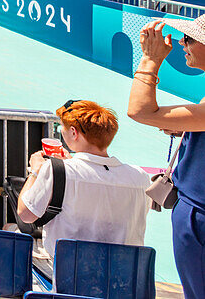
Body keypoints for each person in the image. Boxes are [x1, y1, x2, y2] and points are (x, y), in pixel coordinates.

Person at [129, 18, 205, 299]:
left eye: (190, 39)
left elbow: (140, 111)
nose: (183, 43)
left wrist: (150, 59)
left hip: (199, 222)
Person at [16, 100, 148, 260]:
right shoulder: (140, 177)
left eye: (61, 128)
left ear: (73, 132)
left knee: (12, 231)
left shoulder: (56, 170)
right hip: (125, 272)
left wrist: (36, 171)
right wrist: (70, 162)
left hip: (73, 271)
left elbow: (26, 214)